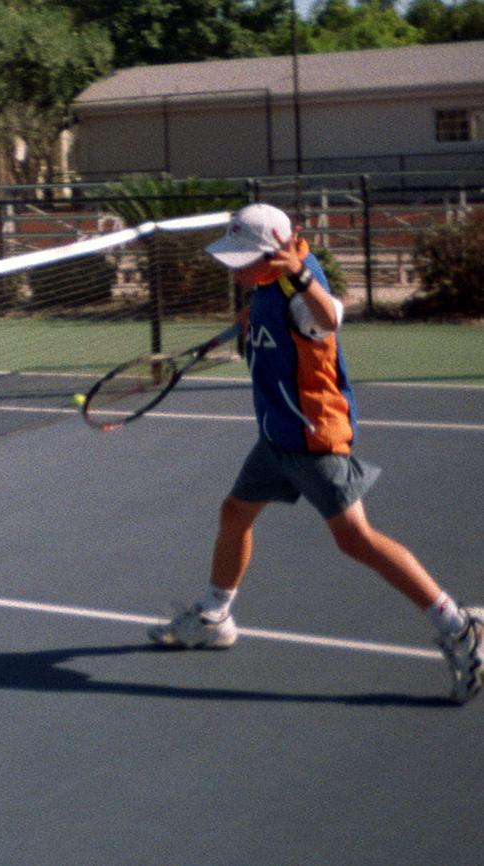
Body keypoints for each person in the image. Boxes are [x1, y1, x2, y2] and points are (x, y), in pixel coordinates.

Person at [148, 202, 483, 705]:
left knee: (357, 541)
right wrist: (235, 328)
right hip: (276, 437)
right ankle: (215, 615)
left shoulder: (301, 293)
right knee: (235, 512)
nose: (236, 269)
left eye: (245, 260)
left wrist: (303, 279)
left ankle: (460, 628)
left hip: (312, 439)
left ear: (280, 253)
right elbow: (257, 311)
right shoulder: (265, 285)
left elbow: (330, 316)